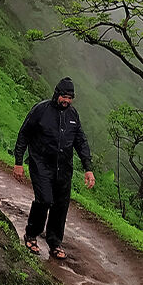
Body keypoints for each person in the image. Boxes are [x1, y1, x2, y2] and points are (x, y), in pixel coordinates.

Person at [13, 77, 95, 261]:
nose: (66, 100)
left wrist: (88, 168)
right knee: (44, 200)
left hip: (64, 169)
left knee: (61, 205)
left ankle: (55, 242)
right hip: (40, 163)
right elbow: (24, 134)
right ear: (56, 94)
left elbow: (80, 141)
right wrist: (18, 162)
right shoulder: (41, 110)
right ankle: (31, 235)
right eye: (64, 96)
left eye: (70, 97)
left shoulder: (73, 115)